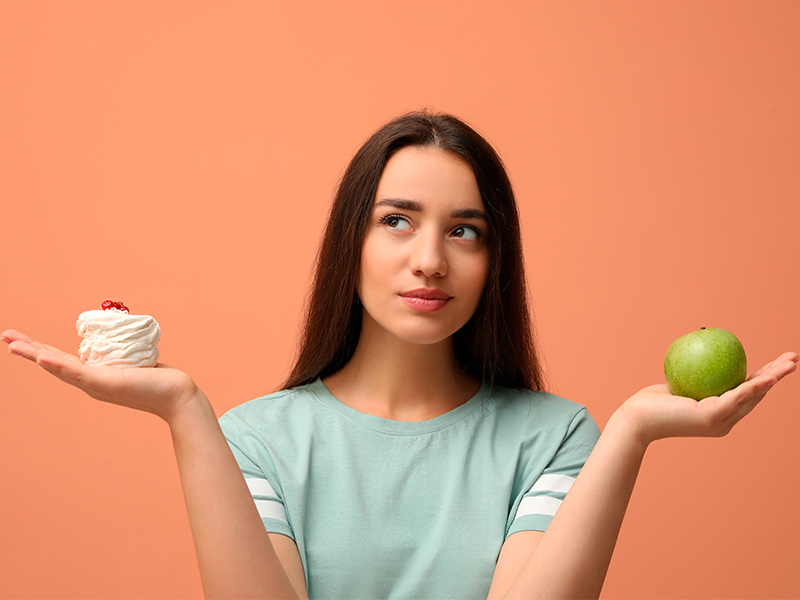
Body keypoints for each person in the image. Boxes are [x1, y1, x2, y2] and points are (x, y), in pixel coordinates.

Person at [2, 110, 797, 600]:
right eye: (397, 221)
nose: (430, 261)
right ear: (350, 241)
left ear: (496, 260)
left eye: (464, 230)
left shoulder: (556, 439)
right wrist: (183, 409)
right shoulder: (252, 441)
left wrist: (630, 432)